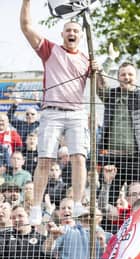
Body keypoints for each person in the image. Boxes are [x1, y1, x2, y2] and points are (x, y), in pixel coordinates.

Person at [20, 0, 90, 225]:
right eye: (68, 30)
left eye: (76, 30)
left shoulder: (87, 60)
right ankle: (36, 207)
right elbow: (26, 26)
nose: (72, 33)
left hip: (77, 112)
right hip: (51, 111)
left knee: (79, 157)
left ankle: (78, 202)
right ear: (62, 34)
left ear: (80, 35)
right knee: (45, 160)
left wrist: (97, 72)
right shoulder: (51, 50)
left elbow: (101, 91)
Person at [97, 35, 140, 205]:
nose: (126, 77)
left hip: (137, 157)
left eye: (130, 74)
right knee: (107, 202)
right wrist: (110, 59)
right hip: (112, 158)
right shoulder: (111, 96)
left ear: (136, 77)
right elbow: (99, 82)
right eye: (123, 74)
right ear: (118, 77)